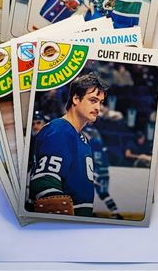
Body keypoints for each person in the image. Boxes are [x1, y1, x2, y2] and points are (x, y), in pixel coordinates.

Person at [28, 73, 108, 217]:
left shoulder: (83, 139)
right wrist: (62, 221)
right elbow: (44, 181)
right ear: (76, 98)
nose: (98, 107)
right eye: (93, 100)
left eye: (100, 102)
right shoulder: (59, 130)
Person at [87, 128, 123, 219]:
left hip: (97, 171)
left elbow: (94, 159)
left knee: (90, 192)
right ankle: (115, 212)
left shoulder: (93, 143)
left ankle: (115, 212)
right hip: (103, 171)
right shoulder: (99, 144)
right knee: (102, 193)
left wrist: (95, 173)